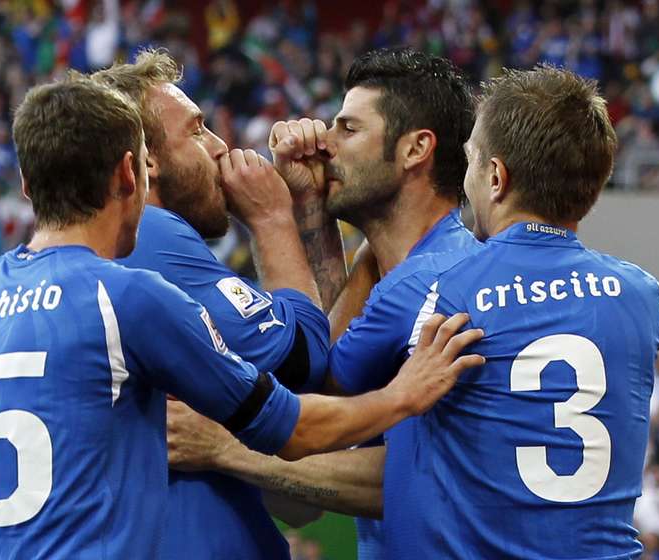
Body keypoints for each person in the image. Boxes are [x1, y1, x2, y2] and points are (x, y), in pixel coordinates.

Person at [0, 77, 483, 558]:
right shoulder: (129, 294)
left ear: (27, 186)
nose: (219, 146)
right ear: (134, 174)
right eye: (198, 128)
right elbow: (297, 401)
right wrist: (406, 395)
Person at [168, 63, 659, 558]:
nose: (325, 142)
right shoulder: (642, 293)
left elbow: (305, 391)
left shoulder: (434, 286)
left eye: (349, 127)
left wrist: (278, 219)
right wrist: (328, 227)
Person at [167, 47, 479, 560]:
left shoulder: (446, 288)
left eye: (349, 129)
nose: (325, 144)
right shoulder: (392, 277)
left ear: (415, 149)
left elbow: (416, 474)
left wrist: (225, 449)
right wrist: (310, 204)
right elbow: (323, 375)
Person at [90, 50, 331, 558]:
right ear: (146, 162)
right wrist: (271, 219)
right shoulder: (150, 235)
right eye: (198, 130)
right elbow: (304, 359)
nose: (221, 147)